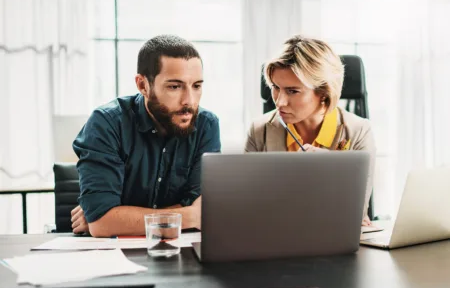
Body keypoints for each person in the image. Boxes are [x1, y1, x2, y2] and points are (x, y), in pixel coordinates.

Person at [70, 35, 221, 237]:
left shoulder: (206, 125)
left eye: (196, 86)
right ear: (143, 85)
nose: (189, 101)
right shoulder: (106, 123)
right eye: (175, 87)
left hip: (177, 253)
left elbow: (201, 208)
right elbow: (102, 222)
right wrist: (189, 216)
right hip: (112, 257)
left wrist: (120, 219)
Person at [245, 35, 375, 226]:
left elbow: (355, 216)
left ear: (323, 93)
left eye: (292, 91)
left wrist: (330, 170)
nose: (279, 101)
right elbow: (250, 211)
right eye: (275, 87)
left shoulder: (358, 131)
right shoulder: (259, 131)